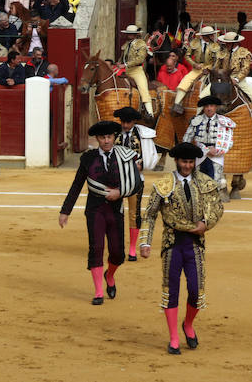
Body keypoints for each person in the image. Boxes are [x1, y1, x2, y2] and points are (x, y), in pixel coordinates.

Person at [140, 142, 223, 355]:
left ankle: (187, 324)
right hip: (172, 243)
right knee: (171, 291)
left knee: (196, 291)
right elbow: (150, 214)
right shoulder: (163, 185)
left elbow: (217, 208)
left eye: (190, 162)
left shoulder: (205, 183)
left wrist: (207, 224)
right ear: (176, 162)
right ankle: (174, 338)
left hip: (195, 244)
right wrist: (145, 241)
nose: (187, 166)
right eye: (184, 162)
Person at [59, 121, 142, 305]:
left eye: (109, 137)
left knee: (117, 253)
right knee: (96, 247)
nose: (106, 141)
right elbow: (77, 184)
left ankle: (109, 275)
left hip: (115, 209)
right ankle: (98, 292)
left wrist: (120, 193)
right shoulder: (88, 158)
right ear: (97, 139)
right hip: (95, 208)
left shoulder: (125, 157)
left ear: (114, 138)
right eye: (103, 138)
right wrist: (65, 211)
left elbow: (137, 183)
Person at [113, 107, 157, 261]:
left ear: (134, 121)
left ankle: (132, 248)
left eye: (128, 122)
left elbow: (151, 157)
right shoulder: (114, 133)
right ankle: (118, 246)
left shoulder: (143, 135)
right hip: (116, 179)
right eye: (123, 122)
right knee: (116, 212)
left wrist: (142, 165)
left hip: (135, 179)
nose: (125, 125)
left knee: (134, 213)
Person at [183, 96, 235, 199]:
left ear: (215, 107)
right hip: (199, 154)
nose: (209, 108)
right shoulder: (196, 121)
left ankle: (214, 201)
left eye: (211, 106)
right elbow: (186, 139)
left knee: (216, 180)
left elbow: (229, 141)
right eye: (206, 106)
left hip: (216, 154)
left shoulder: (224, 121)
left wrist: (219, 150)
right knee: (198, 181)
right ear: (203, 108)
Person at [172, 26, 218, 114]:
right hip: (197, 68)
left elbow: (217, 60)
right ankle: (177, 104)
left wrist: (210, 69)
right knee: (186, 80)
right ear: (205, 36)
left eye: (212, 35)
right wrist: (194, 64)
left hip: (210, 70)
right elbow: (187, 55)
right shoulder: (195, 43)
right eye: (211, 35)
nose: (213, 36)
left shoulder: (215, 45)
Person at [118, 24, 154, 119]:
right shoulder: (126, 44)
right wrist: (118, 64)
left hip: (136, 71)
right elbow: (122, 57)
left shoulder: (141, 44)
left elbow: (140, 59)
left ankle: (150, 113)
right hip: (126, 70)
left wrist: (125, 64)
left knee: (143, 90)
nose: (128, 35)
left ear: (135, 34)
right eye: (128, 34)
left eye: (130, 34)